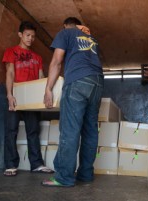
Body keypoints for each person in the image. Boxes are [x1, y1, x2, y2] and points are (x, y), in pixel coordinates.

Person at [41, 17, 104, 187]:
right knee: (90, 130)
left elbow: (57, 61)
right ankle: (85, 174)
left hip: (77, 81)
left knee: (70, 129)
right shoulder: (92, 39)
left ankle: (64, 177)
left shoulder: (66, 33)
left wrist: (48, 88)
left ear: (66, 26)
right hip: (97, 83)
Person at [2, 21, 54, 176]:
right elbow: (10, 73)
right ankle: (11, 165)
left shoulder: (37, 57)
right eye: (27, 35)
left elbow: (40, 78)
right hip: (16, 96)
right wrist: (9, 94)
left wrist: (44, 95)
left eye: (33, 36)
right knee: (11, 131)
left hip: (32, 99)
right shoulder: (11, 51)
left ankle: (37, 164)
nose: (31, 38)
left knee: (33, 131)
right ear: (20, 35)